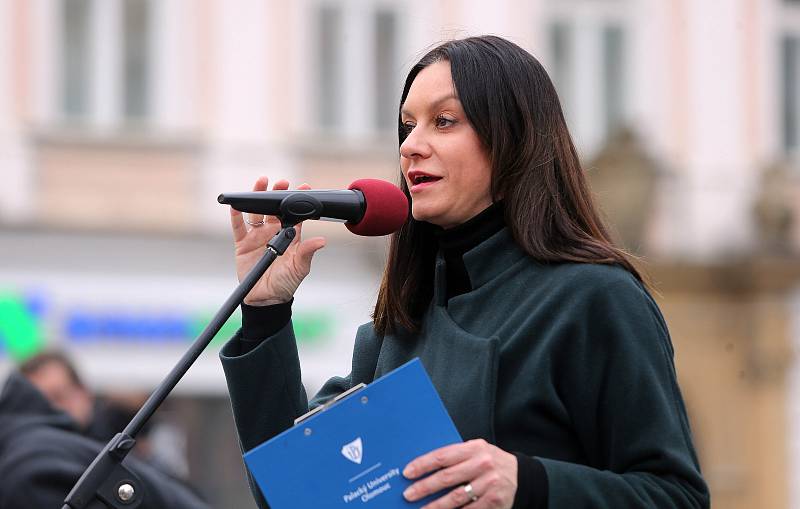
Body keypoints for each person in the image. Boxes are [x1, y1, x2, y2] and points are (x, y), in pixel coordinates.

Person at [220, 35, 709, 508]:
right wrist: (265, 311)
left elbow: (676, 495)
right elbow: (296, 490)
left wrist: (531, 485)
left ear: (512, 139)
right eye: (407, 126)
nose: (411, 145)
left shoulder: (593, 299)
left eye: (444, 121)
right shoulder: (397, 331)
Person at [0, 352, 209, 509]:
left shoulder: (128, 441)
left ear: (84, 393)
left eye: (58, 396)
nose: (54, 410)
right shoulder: (36, 466)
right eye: (42, 404)